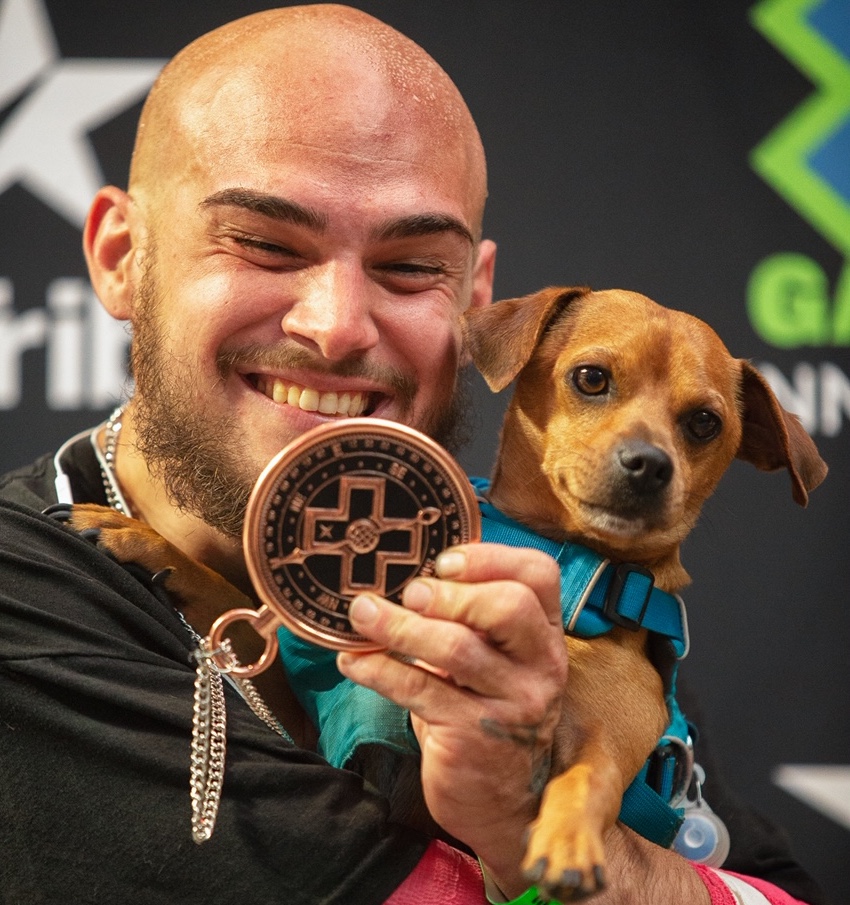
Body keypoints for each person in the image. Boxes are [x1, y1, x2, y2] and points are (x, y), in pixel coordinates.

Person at [0, 6, 828, 905]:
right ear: (121, 257)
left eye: (409, 267)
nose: (337, 326)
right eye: (267, 244)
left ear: (474, 303)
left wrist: (581, 833)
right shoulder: (25, 593)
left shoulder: (561, 610)